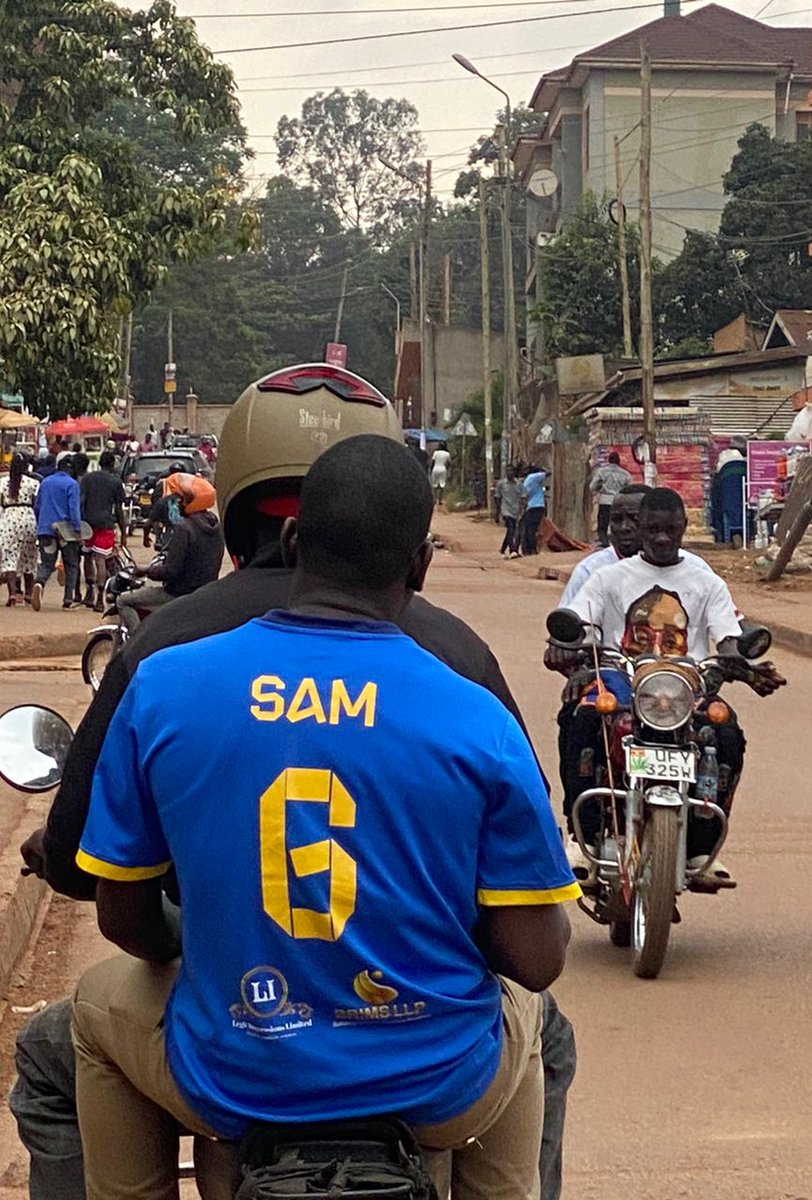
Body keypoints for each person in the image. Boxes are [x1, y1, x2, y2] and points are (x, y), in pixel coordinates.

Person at [15, 365, 577, 1200]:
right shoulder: (470, 703)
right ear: (420, 567)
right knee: (538, 1033)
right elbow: (535, 958)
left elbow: (124, 916)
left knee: (86, 1027)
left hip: (235, 1080)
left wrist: (211, 947)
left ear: (291, 544)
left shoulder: (166, 678)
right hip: (437, 1092)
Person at [553, 487, 784, 881]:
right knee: (582, 719)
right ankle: (585, 837)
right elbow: (578, 620)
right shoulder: (608, 579)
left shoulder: (705, 581)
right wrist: (567, 638)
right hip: (621, 677)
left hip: (686, 683)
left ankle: (700, 846)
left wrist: (735, 658)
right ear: (640, 530)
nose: (661, 538)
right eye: (653, 529)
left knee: (725, 734)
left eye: (671, 530)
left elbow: (727, 635)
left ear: (683, 529)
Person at [116, 474, 222, 635]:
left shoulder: (185, 528)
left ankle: (136, 645)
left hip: (178, 593)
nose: (178, 502)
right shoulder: (216, 527)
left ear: (192, 501)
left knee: (123, 600)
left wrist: (146, 571)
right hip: (203, 593)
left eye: (182, 499)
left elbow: (171, 571)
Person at [31, 457, 82, 611]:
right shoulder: (72, 484)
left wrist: (42, 523)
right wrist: (77, 529)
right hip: (66, 532)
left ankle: (39, 582)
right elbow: (73, 509)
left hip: (46, 530)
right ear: (72, 470)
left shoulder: (45, 482)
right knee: (71, 564)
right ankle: (68, 600)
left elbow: (37, 506)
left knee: (47, 563)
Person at [80, 450, 128, 612]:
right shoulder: (115, 482)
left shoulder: (88, 479)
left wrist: (79, 523)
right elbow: (119, 510)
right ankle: (100, 598)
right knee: (101, 559)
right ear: (113, 464)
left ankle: (89, 591)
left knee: (87, 557)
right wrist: (123, 532)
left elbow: (81, 502)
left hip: (88, 524)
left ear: (100, 463)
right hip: (106, 524)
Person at [0, 453, 39, 606]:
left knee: (10, 557)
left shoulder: (2, 483)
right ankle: (29, 594)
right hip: (28, 518)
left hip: (9, 518)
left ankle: (13, 594)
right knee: (29, 556)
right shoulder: (33, 483)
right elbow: (37, 504)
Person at [589, 451, 632, 547]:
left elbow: (592, 487)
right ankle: (618, 541)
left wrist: (600, 487)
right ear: (619, 461)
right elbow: (629, 489)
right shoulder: (625, 474)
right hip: (619, 501)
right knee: (618, 522)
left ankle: (604, 542)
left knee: (602, 524)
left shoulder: (602, 472)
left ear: (609, 460)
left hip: (605, 500)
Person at [495, 466, 523, 557]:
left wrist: (523, 509)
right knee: (510, 529)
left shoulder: (519, 484)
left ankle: (503, 549)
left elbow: (523, 497)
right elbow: (498, 498)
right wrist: (497, 513)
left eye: (511, 471)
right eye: (508, 471)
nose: (509, 473)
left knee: (511, 531)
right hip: (505, 510)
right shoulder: (501, 484)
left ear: (514, 472)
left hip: (515, 511)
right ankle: (512, 550)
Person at [520, 465, 548, 556]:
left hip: (530, 506)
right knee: (532, 529)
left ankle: (528, 549)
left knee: (529, 529)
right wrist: (539, 468)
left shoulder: (526, 481)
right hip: (537, 506)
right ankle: (532, 549)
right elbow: (548, 473)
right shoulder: (534, 477)